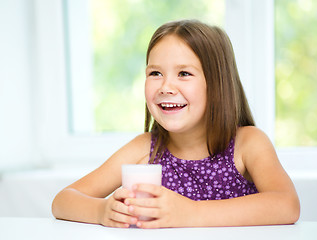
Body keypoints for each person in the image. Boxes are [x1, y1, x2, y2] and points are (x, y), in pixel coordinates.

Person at [52, 19, 300, 228]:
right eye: (155, 73)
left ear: (217, 85)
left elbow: (287, 205)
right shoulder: (145, 149)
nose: (165, 87)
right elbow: (63, 200)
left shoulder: (248, 143)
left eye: (184, 73)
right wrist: (102, 211)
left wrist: (192, 213)